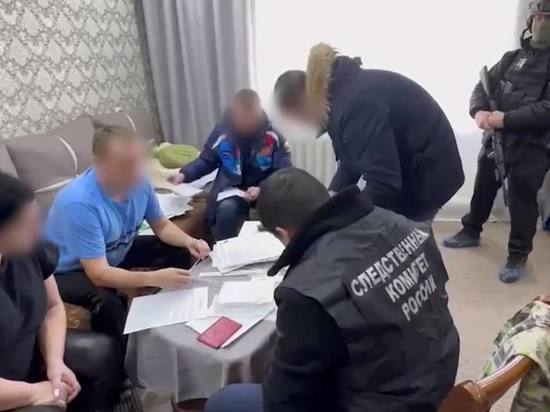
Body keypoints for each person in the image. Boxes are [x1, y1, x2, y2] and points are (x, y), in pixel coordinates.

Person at [205, 168, 460, 412]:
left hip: (386, 402)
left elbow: (286, 401)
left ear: (284, 233)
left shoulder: (306, 293)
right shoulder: (402, 224)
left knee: (223, 401)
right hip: (440, 371)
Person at [45, 126, 210, 347]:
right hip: (70, 270)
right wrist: (155, 278)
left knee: (177, 250)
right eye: (125, 165)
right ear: (100, 164)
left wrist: (190, 241)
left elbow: (161, 225)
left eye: (137, 162)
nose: (135, 172)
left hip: (113, 250)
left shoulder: (139, 181)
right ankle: (123, 359)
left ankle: (174, 318)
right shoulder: (79, 202)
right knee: (108, 302)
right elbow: (99, 274)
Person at [274, 43, 464, 222]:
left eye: (296, 120)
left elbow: (383, 182)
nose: (302, 126)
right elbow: (351, 160)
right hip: (411, 164)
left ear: (302, 105)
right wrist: (331, 198)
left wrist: (341, 217)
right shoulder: (336, 98)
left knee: (406, 234)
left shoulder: (353, 107)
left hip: (429, 170)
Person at [443, 0, 550, 283]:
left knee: (522, 198)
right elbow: (482, 86)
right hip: (497, 139)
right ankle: (470, 230)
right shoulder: (511, 58)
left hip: (534, 145)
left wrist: (507, 119)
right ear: (530, 21)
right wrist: (479, 112)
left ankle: (517, 255)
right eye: (538, 17)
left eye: (548, 18)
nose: (542, 23)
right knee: (484, 185)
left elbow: (547, 109)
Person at [0, 171, 122, 412]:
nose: (39, 231)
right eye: (26, 225)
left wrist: (55, 362)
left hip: (29, 360)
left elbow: (53, 308)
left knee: (101, 353)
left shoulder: (30, 250)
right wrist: (36, 393)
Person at [169, 89, 292, 240]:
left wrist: (262, 189)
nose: (246, 126)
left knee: (281, 213)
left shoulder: (272, 137)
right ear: (234, 116)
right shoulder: (222, 133)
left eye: (251, 121)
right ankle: (224, 251)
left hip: (264, 189)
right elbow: (206, 160)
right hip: (232, 189)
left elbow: (284, 171)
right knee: (227, 211)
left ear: (259, 115)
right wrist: (184, 174)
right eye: (242, 121)